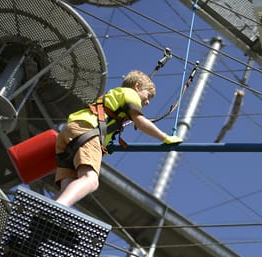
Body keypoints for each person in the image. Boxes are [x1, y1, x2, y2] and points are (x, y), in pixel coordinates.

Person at [54, 70, 182, 207]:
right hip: (86, 131)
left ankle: (52, 210)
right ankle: (57, 208)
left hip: (71, 132)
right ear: (137, 86)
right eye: (148, 96)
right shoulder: (130, 93)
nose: (148, 102)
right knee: (90, 180)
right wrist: (165, 138)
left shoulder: (115, 96)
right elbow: (140, 122)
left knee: (69, 184)